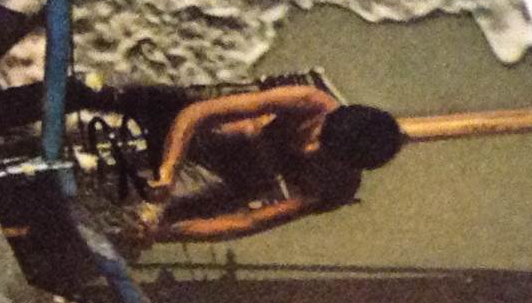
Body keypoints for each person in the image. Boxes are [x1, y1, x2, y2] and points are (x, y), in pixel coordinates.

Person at [134, 84, 403, 245]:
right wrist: (169, 170)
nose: (309, 149)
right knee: (240, 130)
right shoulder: (307, 100)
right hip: (232, 137)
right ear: (328, 117)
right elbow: (197, 113)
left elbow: (248, 222)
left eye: (325, 153)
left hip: (248, 178)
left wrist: (164, 234)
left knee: (156, 221)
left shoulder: (335, 188)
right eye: (319, 137)